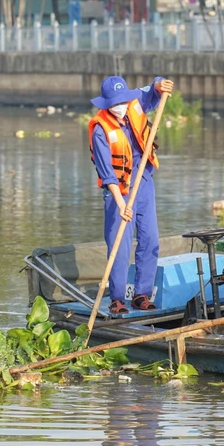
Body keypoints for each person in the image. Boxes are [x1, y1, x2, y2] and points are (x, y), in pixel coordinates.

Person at [88, 75, 173, 315]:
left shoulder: (133, 104)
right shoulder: (100, 129)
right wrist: (120, 203)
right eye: (114, 103)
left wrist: (159, 83)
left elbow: (154, 88)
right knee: (120, 243)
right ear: (106, 104)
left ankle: (141, 295)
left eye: (122, 101)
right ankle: (116, 299)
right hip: (118, 188)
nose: (120, 107)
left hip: (143, 179)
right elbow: (107, 175)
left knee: (149, 238)